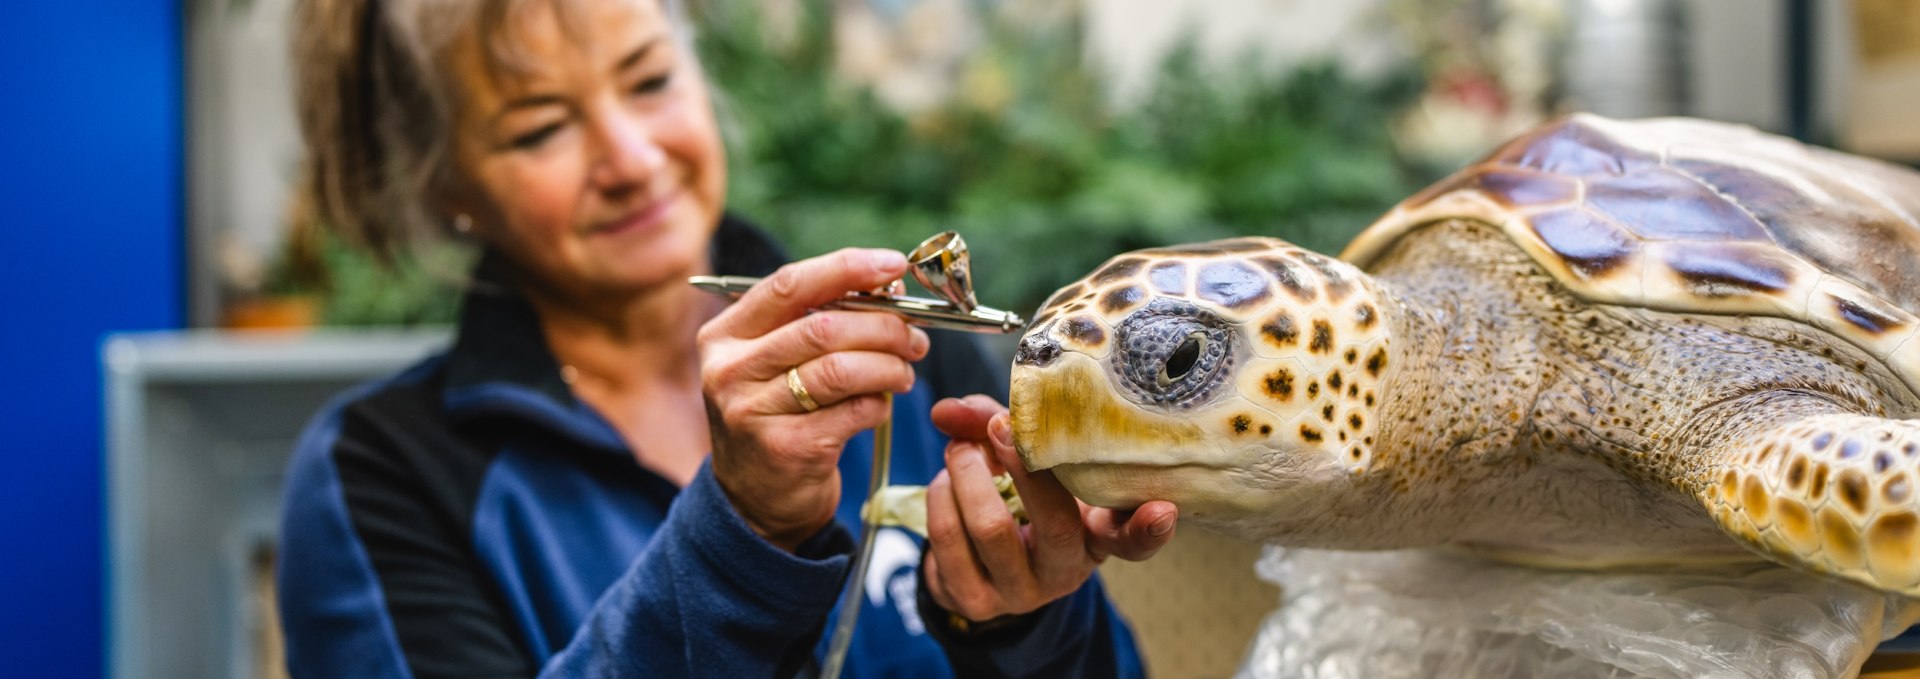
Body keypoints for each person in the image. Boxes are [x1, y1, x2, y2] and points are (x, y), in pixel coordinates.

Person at [273, 0, 1180, 676]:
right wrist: (741, 535)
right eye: (541, 129)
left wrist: (1018, 620)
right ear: (444, 183)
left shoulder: (913, 354)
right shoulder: (382, 473)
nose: (632, 160)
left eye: (649, 81)